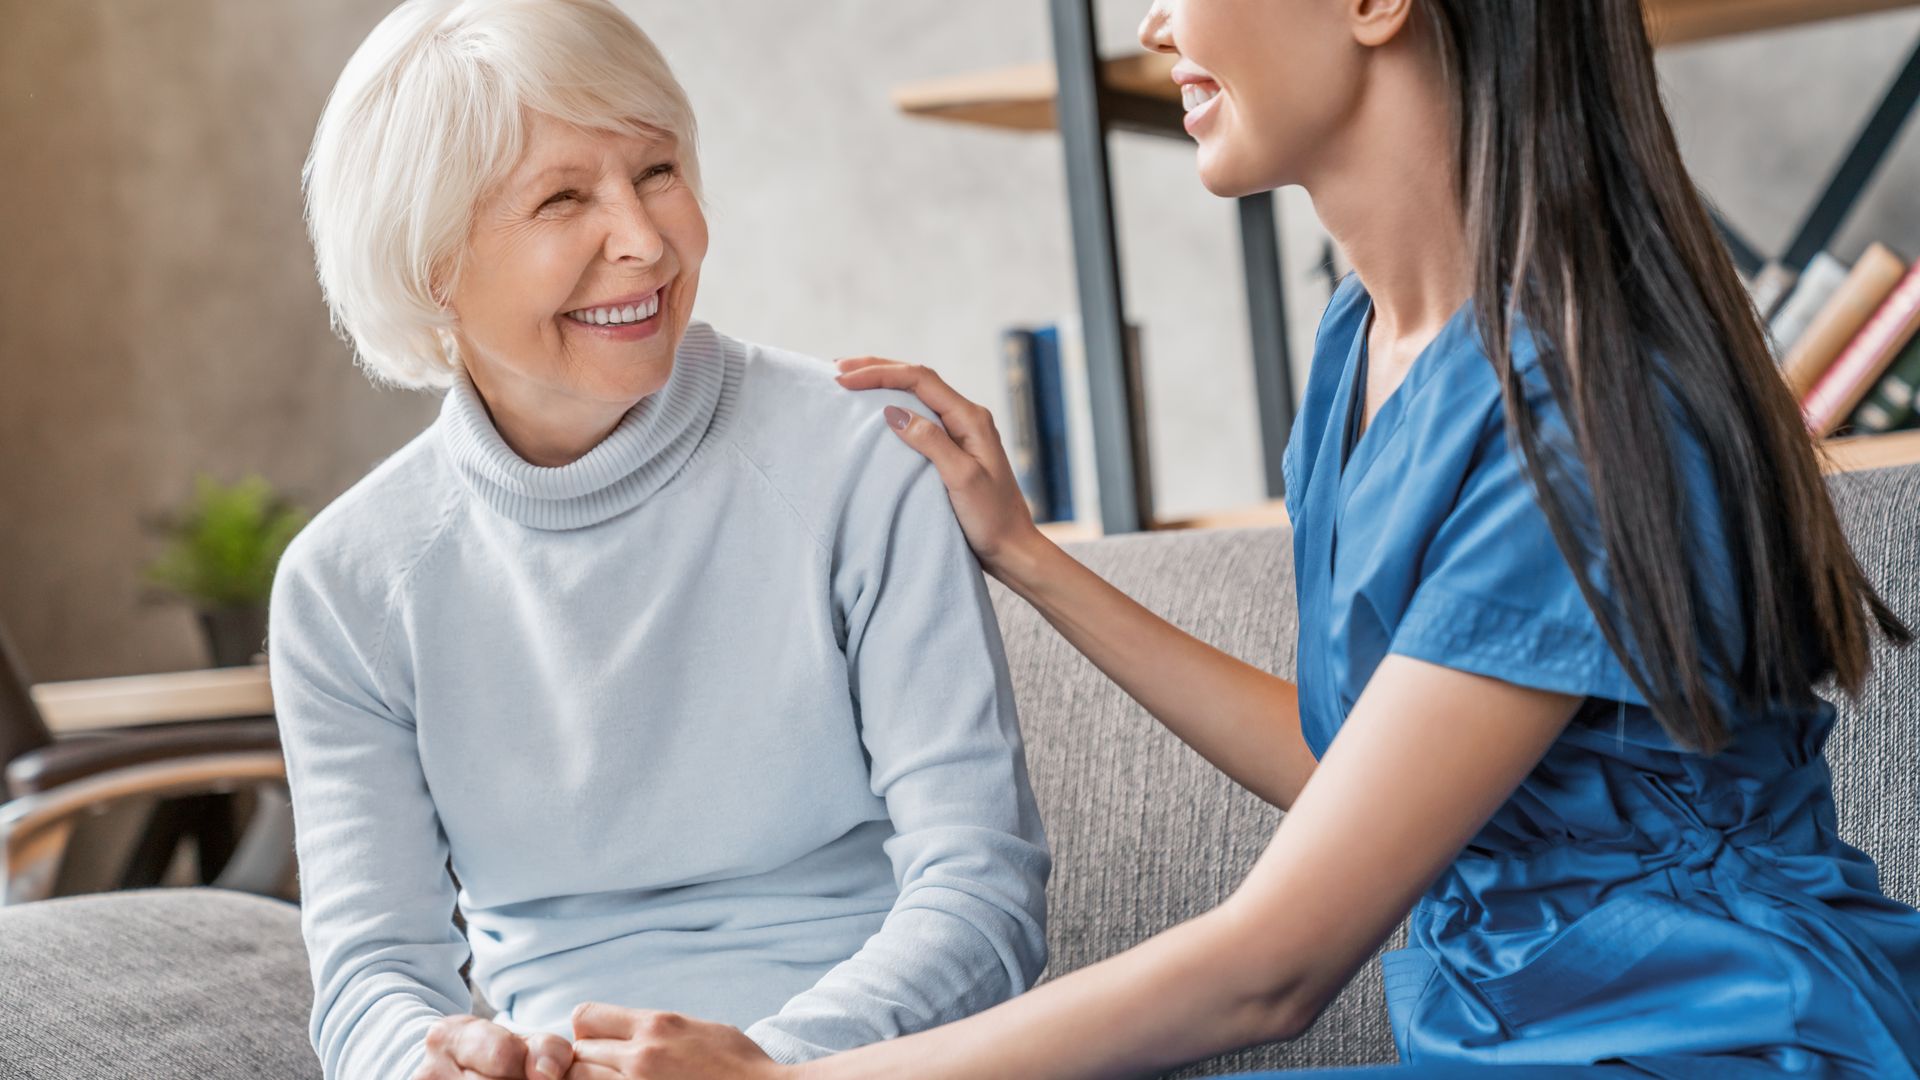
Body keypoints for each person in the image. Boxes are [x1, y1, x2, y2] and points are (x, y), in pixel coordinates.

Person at [602, 1, 1920, 1076]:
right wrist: (1030, 557)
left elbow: (1273, 969)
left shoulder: (1576, 409)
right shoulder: (1362, 354)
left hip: (1719, 1042)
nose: (1157, 27)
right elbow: (1343, 766)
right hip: (1504, 1043)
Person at [273, 2, 1049, 1078]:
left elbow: (985, 894)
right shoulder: (346, 585)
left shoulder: (863, 457)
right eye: (562, 198)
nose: (644, 241)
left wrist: (763, 1065)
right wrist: (430, 1065)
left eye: (657, 171)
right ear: (430, 263)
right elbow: (370, 979)